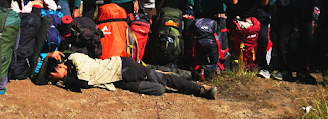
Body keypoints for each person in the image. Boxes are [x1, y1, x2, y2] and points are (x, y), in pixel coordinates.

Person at [38, 51, 216, 99]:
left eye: (56, 68)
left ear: (61, 62)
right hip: (119, 81)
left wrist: (63, 77)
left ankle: (201, 89)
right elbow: (39, 81)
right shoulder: (72, 75)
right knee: (159, 89)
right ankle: (190, 78)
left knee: (163, 76)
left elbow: (83, 85)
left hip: (123, 67)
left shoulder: (75, 58)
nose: (57, 72)